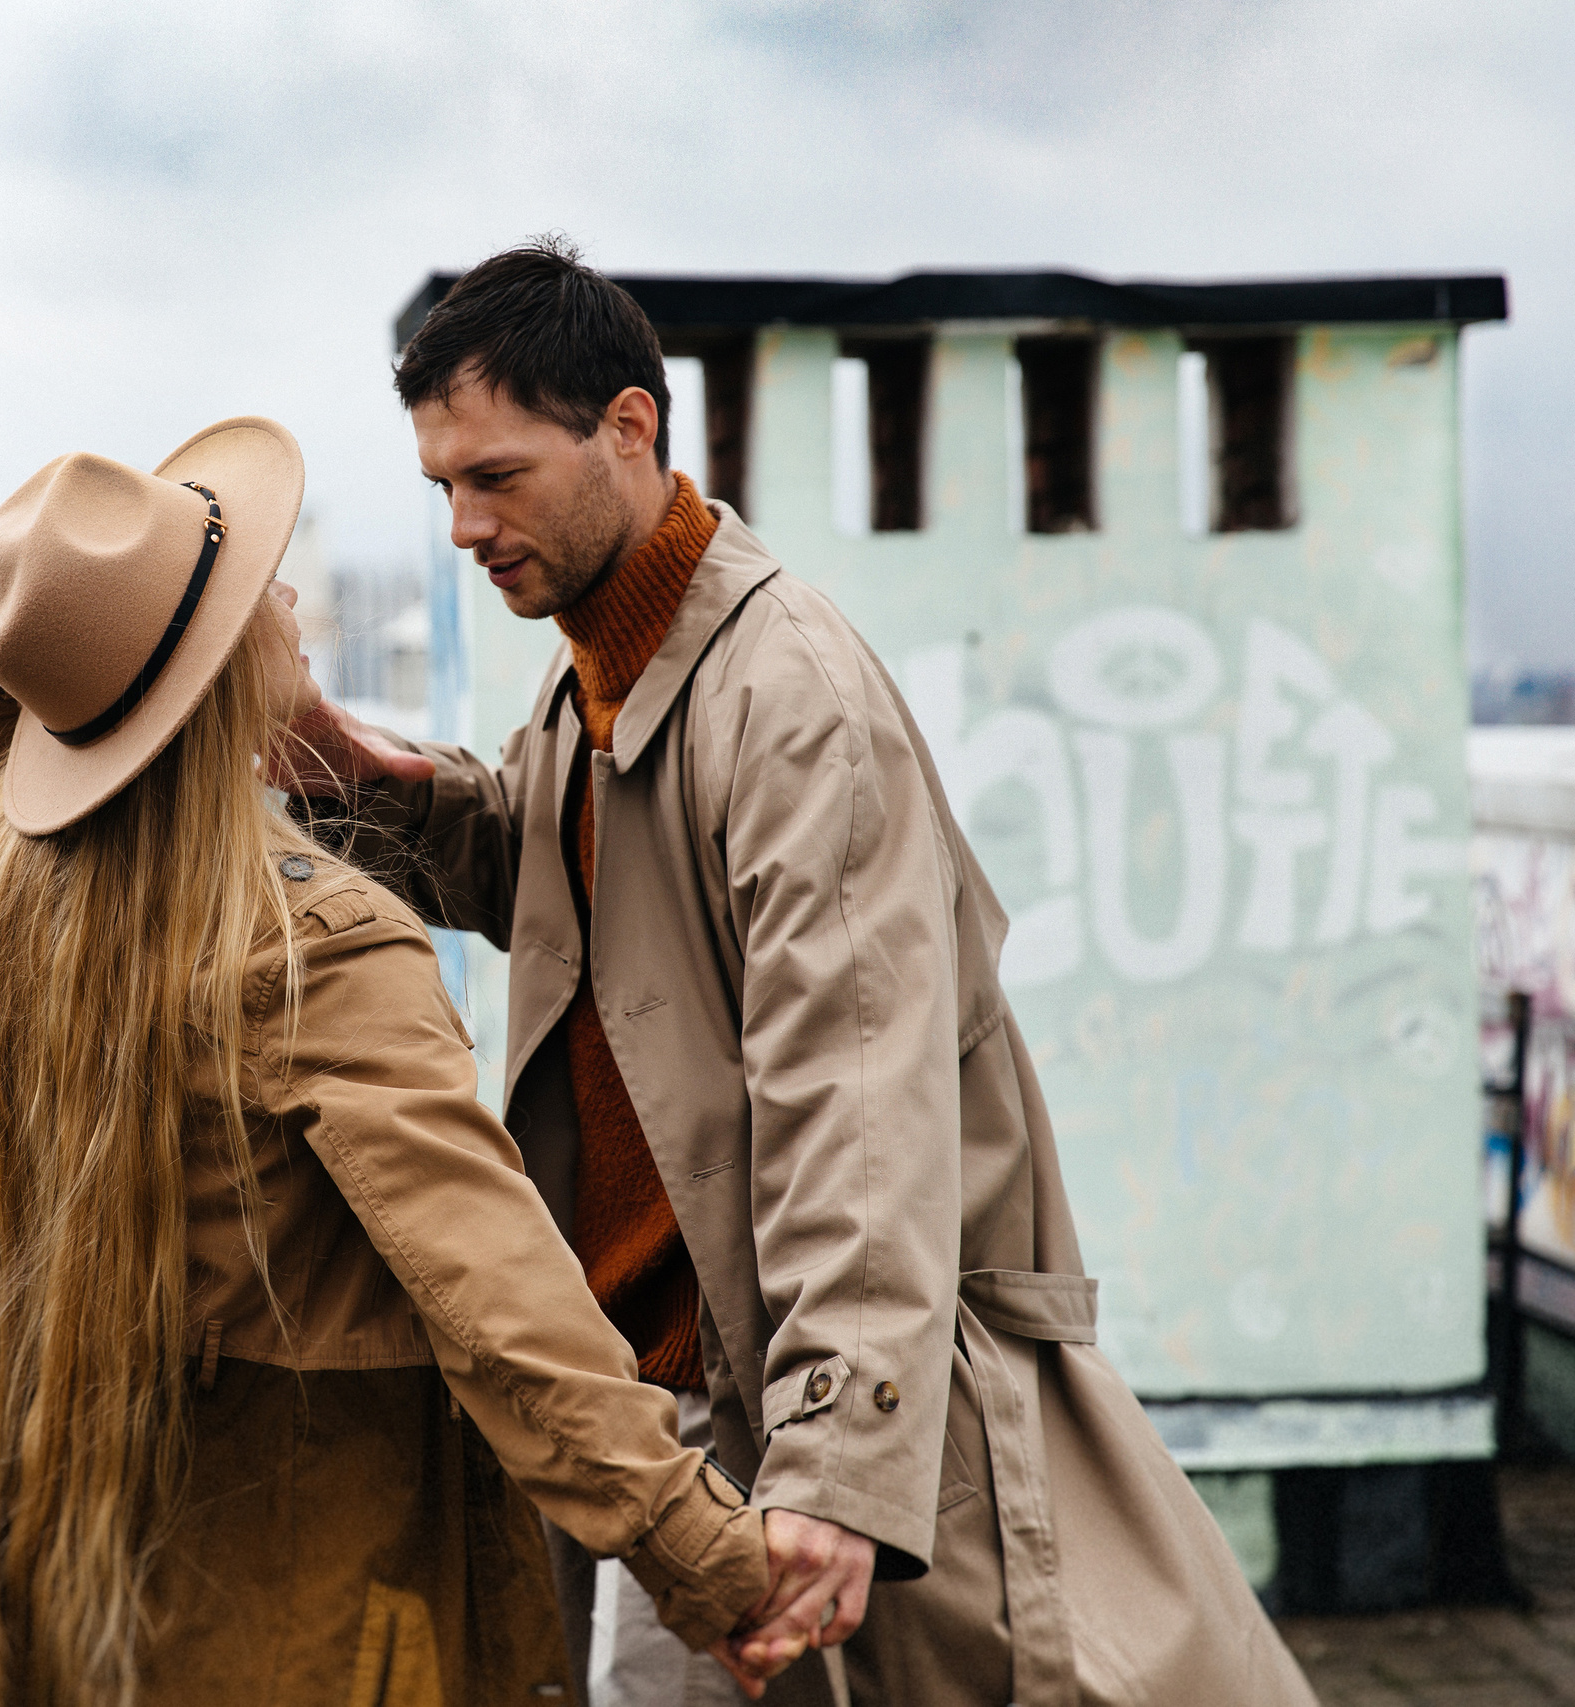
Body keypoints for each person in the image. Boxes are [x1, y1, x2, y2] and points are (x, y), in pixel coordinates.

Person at [282, 241, 1320, 1707]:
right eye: (443, 485)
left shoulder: (788, 703)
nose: (461, 524)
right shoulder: (608, 669)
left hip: (758, 1423)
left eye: (496, 477)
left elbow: (859, 1104)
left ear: (628, 431)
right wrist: (345, 769)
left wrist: (834, 1463)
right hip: (660, 1411)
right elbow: (544, 860)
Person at [0, 417, 771, 1707]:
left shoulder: (11, 911)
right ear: (215, 666)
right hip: (321, 1591)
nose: (286, 588)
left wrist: (16, 621)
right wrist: (702, 1554)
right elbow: (500, 1297)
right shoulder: (312, 953)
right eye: (249, 581)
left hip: (97, 1575)